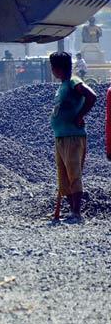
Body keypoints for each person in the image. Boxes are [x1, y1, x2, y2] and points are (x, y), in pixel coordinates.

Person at [49, 51, 97, 221]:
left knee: (73, 174)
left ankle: (77, 213)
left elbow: (91, 96)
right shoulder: (62, 86)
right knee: (63, 178)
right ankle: (71, 212)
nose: (52, 70)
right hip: (60, 136)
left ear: (59, 68)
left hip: (73, 136)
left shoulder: (73, 82)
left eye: (53, 67)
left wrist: (80, 116)